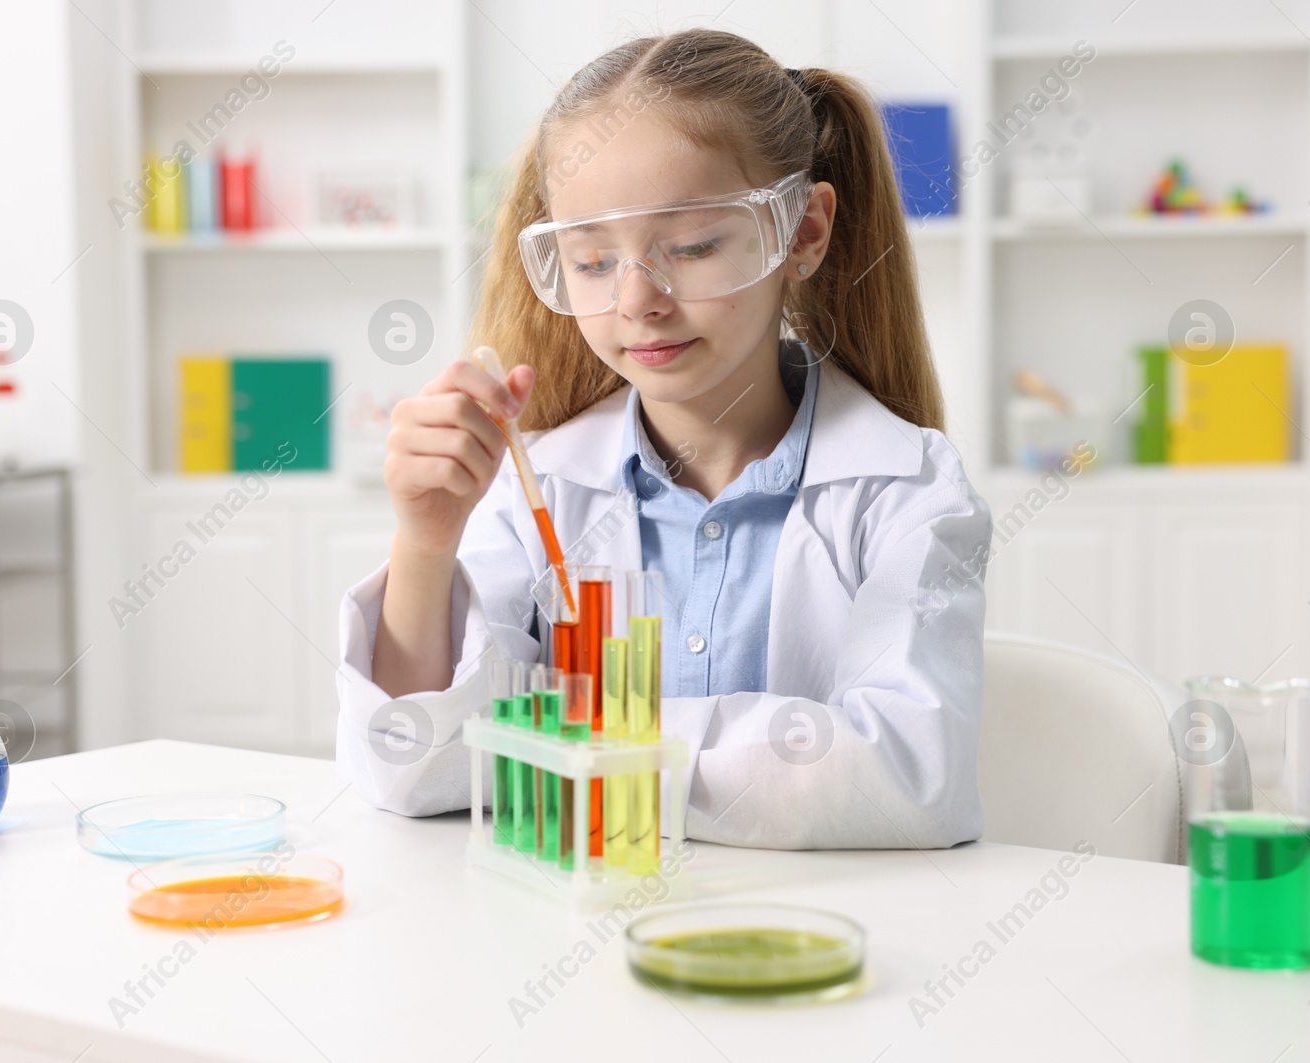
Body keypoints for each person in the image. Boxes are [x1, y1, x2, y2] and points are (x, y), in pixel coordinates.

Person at [335, 28, 993, 849]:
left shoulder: (908, 491)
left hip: (807, 944)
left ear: (804, 233)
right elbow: (415, 765)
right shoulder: (539, 485)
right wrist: (426, 546)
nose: (639, 299)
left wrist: (574, 747)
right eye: (592, 259)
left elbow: (906, 777)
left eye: (692, 246)